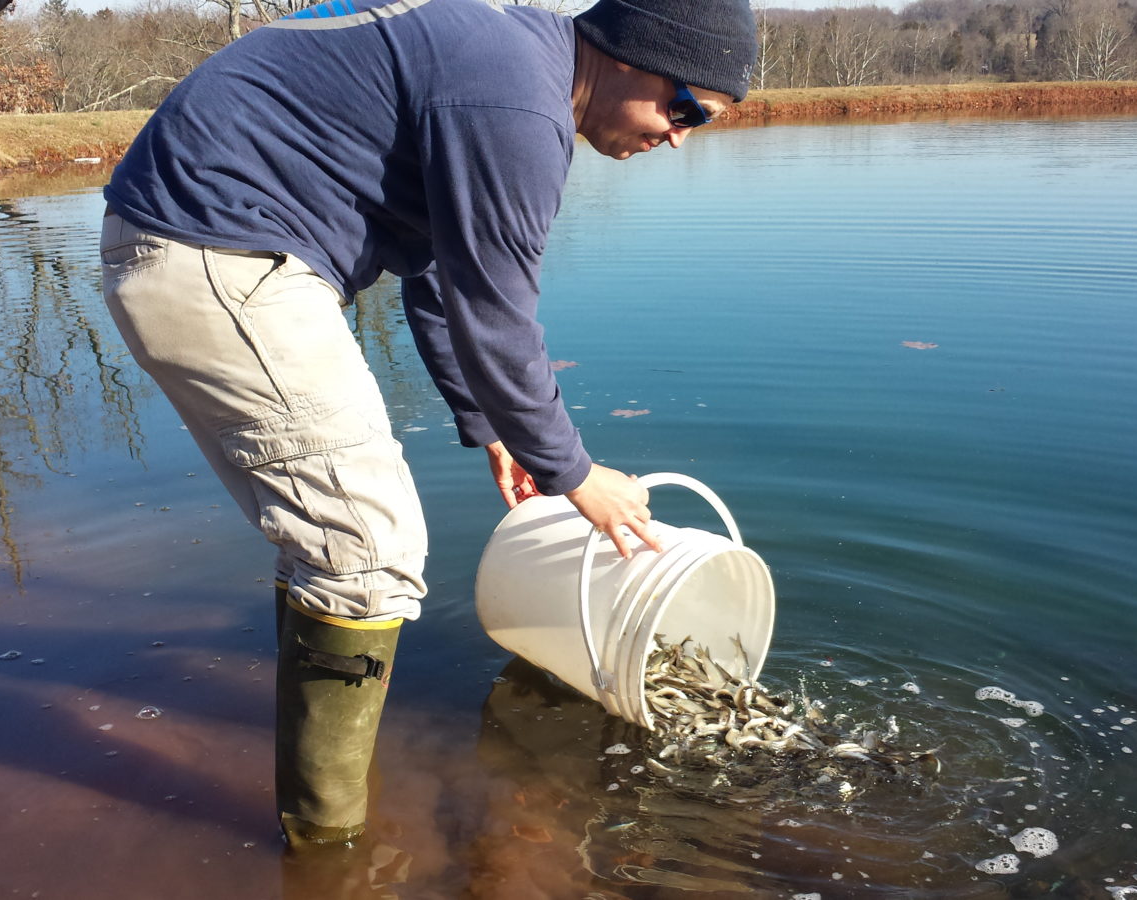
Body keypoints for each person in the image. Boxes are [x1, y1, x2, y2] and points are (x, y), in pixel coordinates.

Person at [99, 0, 756, 847]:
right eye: (686, 109)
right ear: (636, 54)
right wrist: (576, 474)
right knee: (368, 550)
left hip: (203, 236)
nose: (680, 138)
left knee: (340, 545)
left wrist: (495, 426)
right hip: (215, 245)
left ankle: (323, 813)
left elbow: (443, 276)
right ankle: (328, 848)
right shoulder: (520, 103)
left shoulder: (510, 60)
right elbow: (499, 318)